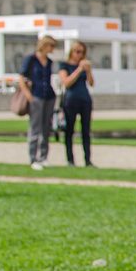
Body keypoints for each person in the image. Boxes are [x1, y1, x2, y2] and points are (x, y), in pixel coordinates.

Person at [18, 35, 58, 170]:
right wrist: (28, 96)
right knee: (35, 127)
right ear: (45, 45)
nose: (52, 49)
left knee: (46, 128)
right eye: (51, 46)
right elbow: (21, 78)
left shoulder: (49, 62)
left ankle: (43, 157)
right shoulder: (31, 59)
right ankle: (33, 158)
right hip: (36, 95)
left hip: (49, 96)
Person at [58, 40, 95, 167]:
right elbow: (66, 83)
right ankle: (70, 160)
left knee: (86, 131)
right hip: (71, 100)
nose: (79, 55)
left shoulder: (85, 66)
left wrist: (88, 71)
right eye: (77, 51)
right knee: (69, 131)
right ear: (71, 52)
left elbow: (91, 83)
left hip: (85, 99)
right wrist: (79, 69)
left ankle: (87, 160)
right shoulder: (64, 65)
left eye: (82, 52)